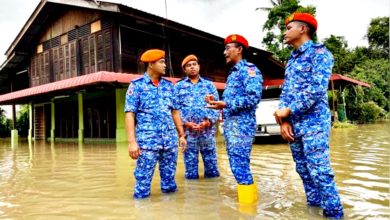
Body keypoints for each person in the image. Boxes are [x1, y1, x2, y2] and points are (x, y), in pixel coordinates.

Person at [273, 13, 344, 218]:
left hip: (314, 123)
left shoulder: (320, 53)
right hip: (293, 125)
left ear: (302, 29)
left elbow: (316, 89)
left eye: (288, 28)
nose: (285, 32)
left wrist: (289, 110)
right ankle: (313, 211)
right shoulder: (292, 59)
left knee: (320, 172)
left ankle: (334, 214)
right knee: (303, 171)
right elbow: (285, 92)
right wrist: (284, 120)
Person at [206, 35, 263, 205]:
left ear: (239, 49)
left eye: (228, 48)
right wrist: (217, 102)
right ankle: (249, 206)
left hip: (242, 126)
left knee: (240, 166)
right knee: (238, 166)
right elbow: (232, 101)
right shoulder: (233, 73)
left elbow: (253, 98)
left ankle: (247, 209)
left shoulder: (249, 70)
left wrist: (226, 103)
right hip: (233, 126)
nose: (225, 52)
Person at [124, 49, 187, 199]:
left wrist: (182, 135)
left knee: (170, 185)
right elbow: (130, 114)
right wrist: (132, 142)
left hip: (169, 143)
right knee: (142, 187)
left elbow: (175, 112)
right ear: (151, 64)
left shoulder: (169, 86)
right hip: (147, 143)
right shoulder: (136, 86)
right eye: (162, 62)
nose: (165, 65)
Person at [174, 54, 220, 179]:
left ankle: (211, 194)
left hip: (207, 132)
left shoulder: (209, 85)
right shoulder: (178, 87)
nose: (192, 67)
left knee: (212, 169)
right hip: (189, 134)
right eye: (188, 66)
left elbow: (217, 107)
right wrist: (185, 123)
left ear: (199, 66)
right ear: (185, 70)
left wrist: (208, 122)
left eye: (194, 64)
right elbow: (175, 110)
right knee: (191, 171)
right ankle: (193, 195)